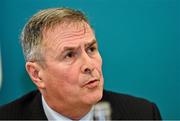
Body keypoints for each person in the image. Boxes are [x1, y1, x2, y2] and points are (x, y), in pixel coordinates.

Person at [0, 8, 162, 120]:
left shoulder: (143, 114)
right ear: (36, 74)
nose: (89, 65)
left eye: (91, 49)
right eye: (69, 55)